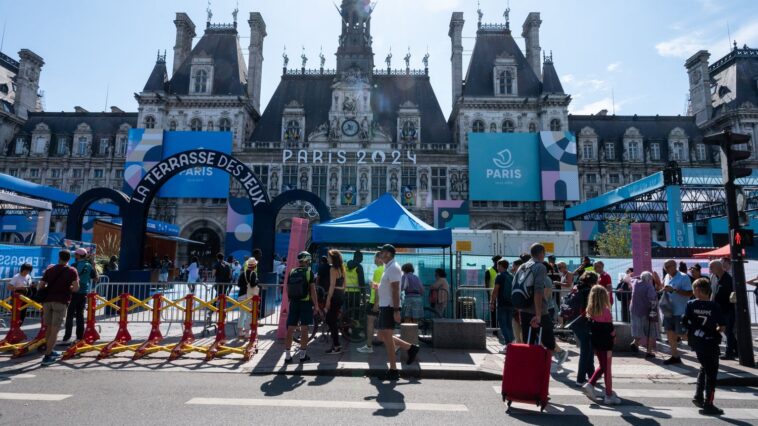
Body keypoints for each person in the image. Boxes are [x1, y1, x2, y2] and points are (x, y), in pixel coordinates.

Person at [518, 243, 567, 368]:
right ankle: (547, 366)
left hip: (524, 309)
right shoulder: (540, 267)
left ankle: (529, 368)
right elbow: (538, 291)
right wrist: (538, 315)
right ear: (541, 254)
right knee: (548, 341)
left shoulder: (522, 266)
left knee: (528, 341)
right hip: (539, 310)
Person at [682, 278, 726, 416]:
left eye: (694, 289)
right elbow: (722, 326)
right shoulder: (714, 306)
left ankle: (698, 396)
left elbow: (685, 322)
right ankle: (709, 403)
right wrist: (716, 330)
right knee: (712, 373)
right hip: (710, 341)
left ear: (698, 290)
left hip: (696, 341)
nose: (693, 292)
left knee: (704, 366)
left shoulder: (690, 304)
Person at [376, 244, 420, 380]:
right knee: (381, 336)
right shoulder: (388, 267)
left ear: (388, 254)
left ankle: (393, 370)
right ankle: (410, 347)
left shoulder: (394, 268)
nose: (379, 254)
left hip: (389, 307)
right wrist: (377, 286)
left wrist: (396, 310)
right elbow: (389, 287)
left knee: (388, 339)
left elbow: (396, 290)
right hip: (385, 306)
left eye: (382, 252)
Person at [38, 250, 80, 365]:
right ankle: (47, 356)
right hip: (61, 301)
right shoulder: (72, 270)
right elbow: (76, 288)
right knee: (55, 330)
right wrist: (68, 288)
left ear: (59, 257)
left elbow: (41, 285)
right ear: (69, 258)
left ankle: (49, 351)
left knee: (49, 328)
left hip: (47, 301)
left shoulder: (50, 269)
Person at [582, 285, 621, 405]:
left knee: (603, 366)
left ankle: (591, 384)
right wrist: (615, 337)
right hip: (607, 343)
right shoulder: (606, 311)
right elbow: (610, 329)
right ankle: (608, 394)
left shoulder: (590, 311)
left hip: (596, 342)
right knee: (607, 369)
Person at [284, 251, 321, 363]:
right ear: (306, 260)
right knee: (305, 329)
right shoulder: (309, 272)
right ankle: (302, 355)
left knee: (290, 329)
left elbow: (287, 287)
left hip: (294, 302)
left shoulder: (292, 271)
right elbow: (313, 290)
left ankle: (287, 356)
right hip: (305, 303)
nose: (309, 262)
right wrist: (316, 305)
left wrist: (290, 299)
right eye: (309, 260)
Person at [661, 259, 694, 365]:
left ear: (675, 266)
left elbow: (690, 293)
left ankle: (702, 346)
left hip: (680, 311)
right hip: (669, 310)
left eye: (668, 266)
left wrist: (674, 290)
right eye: (665, 267)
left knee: (682, 334)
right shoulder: (666, 277)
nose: (666, 269)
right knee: (670, 334)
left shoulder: (684, 277)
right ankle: (675, 356)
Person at [62, 248, 96, 344]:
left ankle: (67, 337)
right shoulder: (89, 266)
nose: (74, 256)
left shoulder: (74, 266)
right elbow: (96, 278)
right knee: (80, 315)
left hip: (74, 292)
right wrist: (94, 266)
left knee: (70, 315)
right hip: (84, 293)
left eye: (75, 254)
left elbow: (69, 279)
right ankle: (79, 337)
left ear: (78, 255)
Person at [569, 271, 596, 386]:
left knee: (588, 348)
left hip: (573, 321)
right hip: (583, 322)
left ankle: (592, 375)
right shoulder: (588, 291)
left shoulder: (576, 287)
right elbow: (590, 309)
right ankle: (580, 379)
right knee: (586, 350)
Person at [709, 259, 737, 360]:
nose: (710, 269)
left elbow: (726, 295)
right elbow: (714, 292)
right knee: (727, 331)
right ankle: (736, 350)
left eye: (711, 267)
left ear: (718, 267)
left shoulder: (727, 279)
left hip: (727, 309)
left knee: (728, 331)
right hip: (720, 309)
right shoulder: (716, 277)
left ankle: (730, 353)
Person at [358, 252, 384, 354]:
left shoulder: (378, 270)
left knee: (370, 323)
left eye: (375, 258)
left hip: (375, 301)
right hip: (382, 301)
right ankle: (395, 345)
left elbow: (377, 288)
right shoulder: (385, 269)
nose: (374, 260)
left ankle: (369, 346)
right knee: (385, 326)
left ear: (379, 258)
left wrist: (376, 303)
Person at [630, 271, 660, 358]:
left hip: (634, 310)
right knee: (651, 331)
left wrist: (639, 275)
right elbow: (652, 298)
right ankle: (649, 351)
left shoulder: (635, 283)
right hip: (647, 311)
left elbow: (633, 278)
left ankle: (635, 343)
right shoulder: (649, 286)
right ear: (650, 279)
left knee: (638, 329)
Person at [324, 249, 347, 354]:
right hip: (340, 294)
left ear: (333, 258)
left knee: (330, 319)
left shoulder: (333, 269)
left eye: (328, 257)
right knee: (331, 319)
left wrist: (328, 299)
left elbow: (332, 285)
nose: (327, 258)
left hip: (335, 295)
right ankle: (335, 344)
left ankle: (337, 346)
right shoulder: (342, 268)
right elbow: (344, 285)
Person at [490, 259, 513, 352]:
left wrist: (492, 302)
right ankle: (511, 343)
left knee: (503, 324)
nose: (497, 267)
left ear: (501, 266)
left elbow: (495, 290)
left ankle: (508, 345)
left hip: (502, 303)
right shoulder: (511, 276)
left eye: (498, 265)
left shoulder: (499, 276)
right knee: (509, 324)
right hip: (511, 303)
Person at [236, 258, 258, 338]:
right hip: (249, 296)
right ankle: (247, 333)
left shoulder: (242, 273)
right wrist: (257, 281)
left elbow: (238, 284)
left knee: (242, 314)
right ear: (254, 266)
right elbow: (252, 284)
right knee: (249, 315)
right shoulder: (253, 274)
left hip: (241, 295)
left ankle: (240, 332)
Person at [486, 255, 502, 329]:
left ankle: (500, 328)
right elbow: (486, 284)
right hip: (493, 295)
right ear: (495, 262)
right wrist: (489, 296)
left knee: (502, 313)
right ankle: (494, 330)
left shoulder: (503, 271)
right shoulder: (489, 270)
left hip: (502, 295)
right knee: (493, 313)